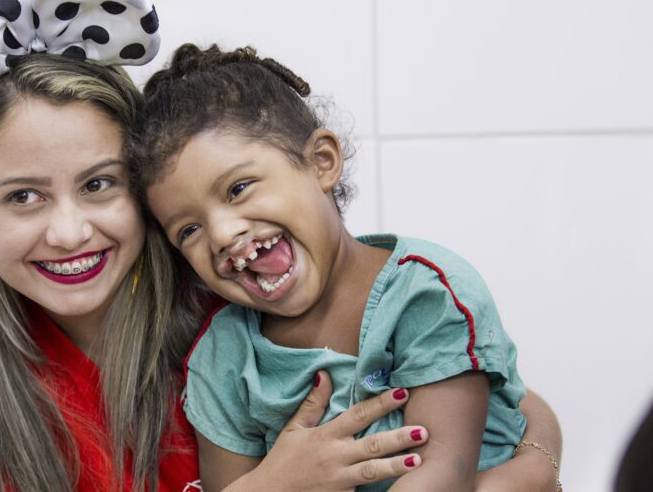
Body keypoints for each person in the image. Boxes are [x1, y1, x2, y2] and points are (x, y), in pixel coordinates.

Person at [0, 0, 461, 492]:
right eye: (23, 197)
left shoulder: (238, 301)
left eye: (100, 184)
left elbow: (470, 380)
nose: (69, 232)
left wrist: (533, 454)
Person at [134, 43, 563, 491]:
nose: (221, 234)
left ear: (322, 162)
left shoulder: (428, 294)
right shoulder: (222, 358)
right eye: (188, 230)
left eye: (238, 188)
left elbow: (440, 477)